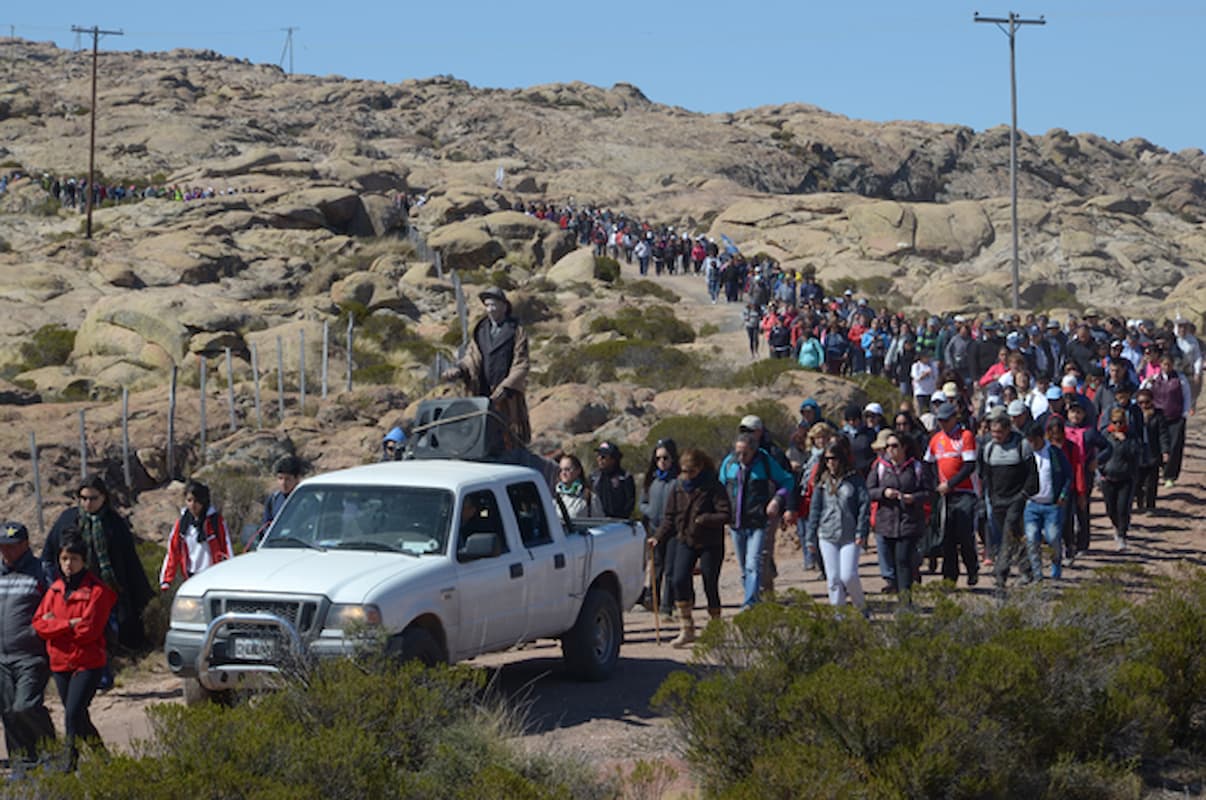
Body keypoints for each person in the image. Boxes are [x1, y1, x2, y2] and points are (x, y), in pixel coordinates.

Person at [33, 533, 118, 771]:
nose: (69, 564)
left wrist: (56, 624)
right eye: (64, 559)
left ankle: (69, 764)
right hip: (60, 663)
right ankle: (105, 761)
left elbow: (88, 631)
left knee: (72, 714)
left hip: (87, 662)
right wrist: (67, 623)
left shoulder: (97, 591)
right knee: (79, 717)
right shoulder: (55, 590)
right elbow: (39, 625)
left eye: (74, 559)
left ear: (84, 561)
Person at [42, 475, 153, 651]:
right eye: (83, 498)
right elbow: (48, 554)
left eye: (93, 498)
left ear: (104, 498)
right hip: (74, 587)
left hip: (109, 587)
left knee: (113, 629)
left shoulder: (114, 523)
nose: (88, 503)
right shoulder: (68, 520)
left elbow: (129, 561)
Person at [650, 449, 731, 648]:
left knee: (709, 581)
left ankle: (715, 627)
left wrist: (704, 519)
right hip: (684, 538)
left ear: (700, 468)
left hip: (710, 542)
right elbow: (669, 517)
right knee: (678, 579)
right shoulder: (678, 487)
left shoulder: (713, 486)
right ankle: (687, 628)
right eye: (684, 471)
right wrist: (658, 537)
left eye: (691, 471)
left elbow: (726, 514)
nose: (686, 475)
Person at [442, 286, 531, 448]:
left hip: (505, 395)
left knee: (509, 436)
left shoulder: (515, 330)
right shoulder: (481, 330)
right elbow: (472, 356)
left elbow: (522, 361)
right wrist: (460, 369)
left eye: (494, 305)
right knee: (481, 433)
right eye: (487, 305)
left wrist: (508, 386)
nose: (490, 309)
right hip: (481, 392)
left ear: (504, 306)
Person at [0, 521, 56, 776]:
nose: (6, 552)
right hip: (2, 658)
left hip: (30, 656)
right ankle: (22, 763)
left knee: (26, 706)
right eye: (2, 547)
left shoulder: (41, 571)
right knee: (9, 713)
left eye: (11, 546)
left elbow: (56, 605)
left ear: (25, 545)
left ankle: (51, 753)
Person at [718, 432, 794, 609]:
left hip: (757, 522)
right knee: (745, 567)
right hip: (736, 524)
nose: (741, 457)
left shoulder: (765, 463)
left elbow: (787, 481)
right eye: (738, 452)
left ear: (753, 451)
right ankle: (753, 598)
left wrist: (777, 500)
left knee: (753, 564)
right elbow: (719, 488)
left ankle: (750, 603)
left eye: (745, 453)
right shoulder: (729, 464)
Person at [866, 431, 932, 607]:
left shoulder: (917, 467)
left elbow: (929, 492)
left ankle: (905, 601)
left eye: (894, 446)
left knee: (903, 559)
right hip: (886, 523)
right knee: (893, 563)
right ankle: (901, 592)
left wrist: (914, 498)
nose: (890, 450)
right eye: (887, 446)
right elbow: (869, 491)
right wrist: (883, 493)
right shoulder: (880, 467)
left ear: (904, 448)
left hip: (909, 522)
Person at [806, 438, 870, 615]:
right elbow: (815, 510)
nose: (830, 462)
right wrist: (810, 537)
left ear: (841, 459)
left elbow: (864, 505)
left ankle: (861, 608)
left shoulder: (855, 480)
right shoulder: (822, 482)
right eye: (827, 459)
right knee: (833, 579)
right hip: (827, 535)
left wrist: (862, 531)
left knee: (848, 576)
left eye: (833, 458)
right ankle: (839, 616)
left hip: (850, 535)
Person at [979, 417, 1039, 590]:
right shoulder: (989, 449)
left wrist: (1023, 495)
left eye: (999, 432)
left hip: (1016, 499)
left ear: (1008, 430)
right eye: (993, 432)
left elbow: (1032, 475)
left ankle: (1001, 573)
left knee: (1008, 533)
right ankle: (1027, 570)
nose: (995, 435)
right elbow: (986, 475)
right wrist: (989, 496)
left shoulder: (1022, 445)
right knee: (1015, 536)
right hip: (997, 500)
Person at [925, 403, 979, 586]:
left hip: (964, 493)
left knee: (964, 535)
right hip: (944, 495)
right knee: (946, 535)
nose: (943, 424)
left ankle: (972, 568)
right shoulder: (936, 439)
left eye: (946, 420)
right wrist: (936, 485)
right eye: (940, 420)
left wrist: (951, 483)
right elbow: (928, 464)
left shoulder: (965, 436)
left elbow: (969, 465)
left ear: (954, 418)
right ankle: (949, 577)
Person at [158, 481, 234, 591]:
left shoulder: (215, 522)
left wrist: (230, 576)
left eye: (197, 501)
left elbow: (227, 548)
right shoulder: (182, 524)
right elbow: (173, 551)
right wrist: (166, 580)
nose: (193, 505)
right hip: (191, 577)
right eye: (189, 500)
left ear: (203, 501)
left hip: (213, 576)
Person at [1023, 422, 1072, 581]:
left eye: (1034, 440)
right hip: (1032, 505)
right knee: (1031, 537)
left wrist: (1063, 495)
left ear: (1040, 437)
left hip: (1052, 505)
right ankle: (1037, 573)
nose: (1031, 444)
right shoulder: (1026, 455)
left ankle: (1056, 562)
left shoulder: (1054, 453)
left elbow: (1068, 475)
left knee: (1053, 537)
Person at [640, 440, 680, 619]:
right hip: (654, 530)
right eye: (658, 458)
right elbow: (642, 503)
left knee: (670, 569)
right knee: (655, 567)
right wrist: (650, 511)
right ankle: (653, 602)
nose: (661, 462)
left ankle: (667, 607)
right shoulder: (652, 481)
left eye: (665, 458)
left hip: (673, 531)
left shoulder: (678, 481)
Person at [1098, 408, 1142, 550]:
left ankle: (1122, 535)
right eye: (1115, 422)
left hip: (1126, 478)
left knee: (1123, 508)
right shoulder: (1105, 435)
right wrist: (1101, 470)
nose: (1118, 425)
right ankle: (1117, 526)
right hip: (1108, 477)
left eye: (1121, 422)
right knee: (1111, 509)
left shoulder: (1131, 436)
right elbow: (1098, 453)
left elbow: (1136, 454)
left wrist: (1125, 443)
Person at [1134, 388, 1171, 512]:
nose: (1144, 405)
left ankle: (1150, 505)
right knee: (1137, 481)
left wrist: (1165, 451)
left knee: (1151, 482)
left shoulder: (1158, 415)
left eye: (1147, 402)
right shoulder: (1134, 414)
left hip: (1152, 452)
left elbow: (1163, 434)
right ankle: (1139, 502)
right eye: (1141, 403)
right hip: (1138, 453)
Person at [589, 442, 635, 519]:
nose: (599, 459)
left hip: (618, 523)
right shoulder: (594, 477)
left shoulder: (624, 477)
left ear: (613, 459)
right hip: (597, 521)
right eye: (598, 456)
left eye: (603, 456)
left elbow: (630, 502)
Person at [554, 454, 591, 519]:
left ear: (578, 471)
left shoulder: (589, 497)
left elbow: (599, 525)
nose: (563, 473)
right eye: (561, 470)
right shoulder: (554, 495)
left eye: (567, 469)